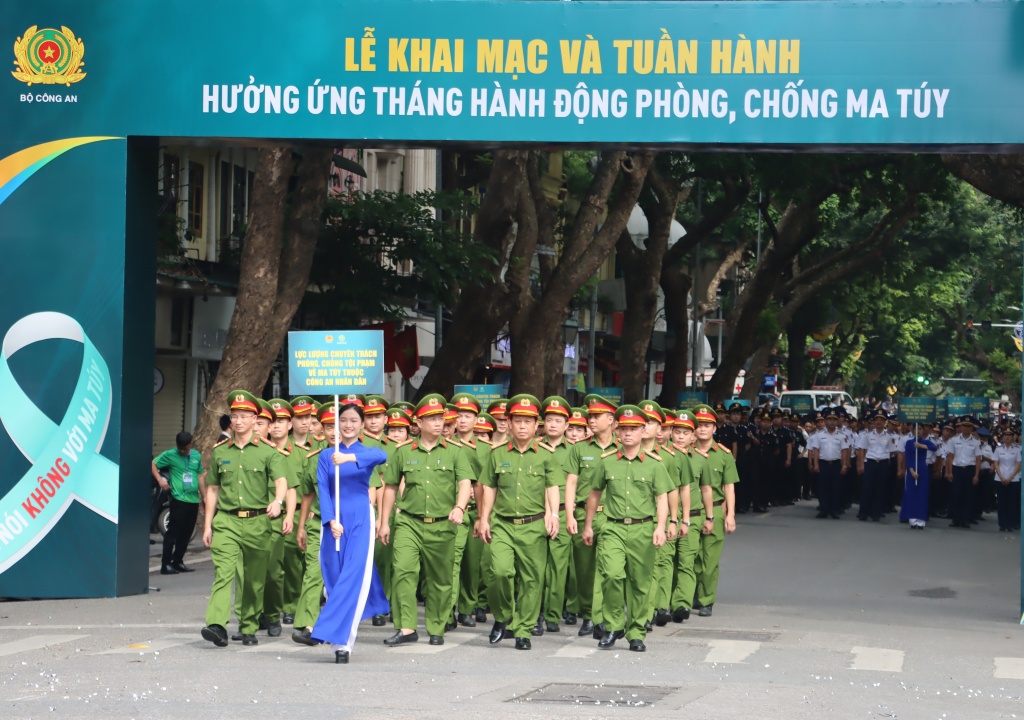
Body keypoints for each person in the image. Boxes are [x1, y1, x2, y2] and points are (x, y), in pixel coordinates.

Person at [378, 393, 474, 646]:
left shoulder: (455, 451)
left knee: (440, 579)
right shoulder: (402, 452)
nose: (437, 422)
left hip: (443, 524)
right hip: (409, 521)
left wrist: (460, 507)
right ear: (418, 424)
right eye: (430, 418)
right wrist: (384, 521)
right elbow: (389, 487)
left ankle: (437, 627)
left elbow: (465, 482)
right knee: (403, 571)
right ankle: (407, 627)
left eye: (440, 417)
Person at [201, 390, 292, 648]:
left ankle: (249, 625)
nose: (238, 421)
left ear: (255, 419)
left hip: (257, 522)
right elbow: (213, 489)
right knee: (223, 573)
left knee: (253, 579)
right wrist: (207, 525)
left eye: (244, 416)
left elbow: (281, 481)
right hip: (227, 522)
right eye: (234, 416)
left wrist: (278, 501)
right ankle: (217, 625)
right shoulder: (220, 452)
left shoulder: (267, 451)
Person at [582, 404, 672, 652]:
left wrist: (661, 527)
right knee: (611, 575)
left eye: (634, 429)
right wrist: (588, 525)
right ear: (617, 431)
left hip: (643, 529)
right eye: (624, 429)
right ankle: (613, 626)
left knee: (640, 584)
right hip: (613, 528)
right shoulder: (607, 462)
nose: (628, 433)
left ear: (644, 431)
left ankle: (636, 632)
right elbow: (594, 494)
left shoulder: (655, 464)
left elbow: (662, 497)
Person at [477, 394, 561, 651]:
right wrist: (484, 518)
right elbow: (488, 487)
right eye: (518, 421)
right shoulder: (497, 453)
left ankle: (523, 629)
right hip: (502, 523)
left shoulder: (547, 455)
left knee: (531, 579)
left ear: (537, 426)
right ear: (509, 424)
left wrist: (554, 514)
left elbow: (552, 486)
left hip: (534, 524)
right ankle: (503, 616)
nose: (523, 426)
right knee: (499, 571)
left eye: (528, 422)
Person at [311, 401, 390, 664]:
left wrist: (350, 458)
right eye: (343, 420)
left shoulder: (365, 451)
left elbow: (382, 456)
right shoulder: (325, 456)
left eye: (353, 421)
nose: (347, 425)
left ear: (362, 424)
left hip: (360, 517)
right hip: (335, 519)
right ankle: (335, 632)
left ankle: (343, 644)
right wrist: (330, 519)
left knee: (353, 577)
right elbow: (323, 489)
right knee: (333, 577)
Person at [564, 394, 619, 639]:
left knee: (608, 569)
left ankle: (602, 618)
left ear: (611, 419)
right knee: (584, 571)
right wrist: (569, 515)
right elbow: (571, 483)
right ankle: (588, 613)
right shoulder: (579, 448)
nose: (592, 420)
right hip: (583, 512)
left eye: (597, 416)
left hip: (612, 516)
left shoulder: (623, 448)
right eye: (590, 417)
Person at [691, 404, 739, 617]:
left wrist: (730, 515)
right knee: (690, 557)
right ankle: (688, 594)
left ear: (714, 428)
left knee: (709, 559)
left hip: (717, 511)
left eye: (707, 425)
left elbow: (729, 486)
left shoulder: (723, 455)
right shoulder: (685, 454)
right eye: (699, 425)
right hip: (690, 511)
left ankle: (706, 599)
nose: (702, 429)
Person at [536, 395, 573, 636]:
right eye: (548, 420)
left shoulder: (574, 451)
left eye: (558, 421)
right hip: (535, 515)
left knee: (558, 568)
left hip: (560, 513)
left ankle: (552, 614)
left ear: (566, 425)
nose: (552, 425)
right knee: (535, 567)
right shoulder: (534, 447)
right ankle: (534, 613)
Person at [152, 431, 206, 575]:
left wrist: (204, 496)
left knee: (186, 533)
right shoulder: (170, 454)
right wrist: (160, 480)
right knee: (172, 533)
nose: (182, 451)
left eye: (185, 448)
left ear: (191, 444)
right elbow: (153, 463)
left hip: (193, 500)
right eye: (180, 448)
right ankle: (166, 564)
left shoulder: (196, 456)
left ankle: (178, 561)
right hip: (178, 499)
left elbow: (200, 476)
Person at [807, 408, 849, 520]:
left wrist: (844, 465)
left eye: (834, 419)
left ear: (837, 421)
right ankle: (823, 510)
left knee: (836, 488)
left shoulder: (841, 435)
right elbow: (816, 450)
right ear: (825, 421)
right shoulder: (819, 435)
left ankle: (834, 510)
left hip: (836, 464)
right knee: (822, 487)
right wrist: (815, 464)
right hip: (823, 463)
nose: (832, 421)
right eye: (829, 419)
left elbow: (844, 451)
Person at [944, 417, 982, 529]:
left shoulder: (976, 442)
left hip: (970, 470)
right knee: (956, 495)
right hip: (957, 470)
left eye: (969, 426)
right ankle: (956, 519)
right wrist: (949, 472)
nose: (966, 428)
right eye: (964, 426)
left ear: (972, 428)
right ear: (961, 427)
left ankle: (965, 519)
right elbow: (950, 457)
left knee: (968, 496)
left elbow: (978, 459)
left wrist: (976, 475)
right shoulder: (954, 440)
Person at [900, 422, 937, 529]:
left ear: (923, 430)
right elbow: (908, 458)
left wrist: (920, 446)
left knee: (922, 493)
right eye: (916, 429)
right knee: (912, 493)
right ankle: (912, 519)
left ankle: (921, 519)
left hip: (923, 468)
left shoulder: (926, 442)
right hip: (912, 469)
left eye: (920, 429)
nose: (918, 431)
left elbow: (933, 448)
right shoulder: (908, 442)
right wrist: (912, 472)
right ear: (913, 430)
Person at [993, 427, 1021, 532]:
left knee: (1012, 503)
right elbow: (996, 463)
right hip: (1000, 478)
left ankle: (1010, 524)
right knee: (1001, 502)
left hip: (1013, 479)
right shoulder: (998, 449)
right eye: (1006, 435)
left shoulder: (1017, 450)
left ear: (1013, 437)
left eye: (1010, 435)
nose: (1007, 437)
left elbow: (1018, 464)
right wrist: (1001, 476)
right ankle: (1002, 524)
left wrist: (1010, 477)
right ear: (1003, 437)